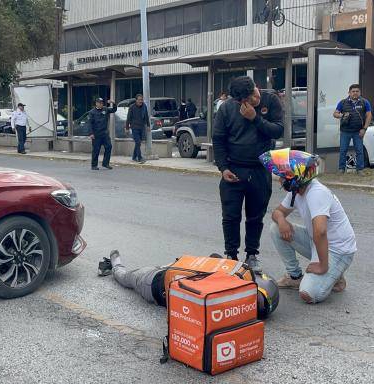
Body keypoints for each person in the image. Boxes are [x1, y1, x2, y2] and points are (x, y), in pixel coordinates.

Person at [262, 149, 357, 304]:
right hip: (319, 242)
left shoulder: (316, 192)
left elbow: (320, 231)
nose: (280, 179)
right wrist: (281, 221)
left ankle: (333, 274)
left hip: (338, 250)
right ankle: (295, 277)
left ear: (295, 177)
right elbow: (277, 212)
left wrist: (323, 266)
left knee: (309, 293)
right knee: (276, 228)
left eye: (282, 176)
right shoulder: (297, 190)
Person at [212, 75, 284, 271]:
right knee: (230, 216)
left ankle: (252, 254)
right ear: (237, 100)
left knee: (255, 216)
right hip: (233, 169)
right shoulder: (226, 108)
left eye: (252, 96)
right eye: (244, 100)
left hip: (260, 169)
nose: (251, 101)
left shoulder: (270, 100)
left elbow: (278, 130)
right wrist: (223, 168)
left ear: (256, 87)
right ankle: (231, 255)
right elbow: (218, 139)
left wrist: (255, 118)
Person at [98, 250, 279, 320]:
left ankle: (115, 265)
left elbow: (214, 258)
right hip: (173, 271)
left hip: (153, 282)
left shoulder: (230, 289)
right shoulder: (229, 303)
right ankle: (115, 264)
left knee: (126, 277)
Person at [333, 84, 372, 174]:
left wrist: (364, 129)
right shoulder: (342, 102)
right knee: (343, 150)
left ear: (360, 92)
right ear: (349, 93)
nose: (355, 93)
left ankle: (360, 169)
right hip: (345, 131)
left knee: (359, 150)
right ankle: (341, 169)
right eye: (353, 91)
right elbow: (335, 114)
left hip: (358, 131)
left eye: (357, 91)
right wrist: (341, 115)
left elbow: (369, 115)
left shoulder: (364, 102)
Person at [88, 97, 117, 170]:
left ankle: (105, 163)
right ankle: (94, 165)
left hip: (104, 133)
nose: (101, 104)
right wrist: (91, 133)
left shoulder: (105, 109)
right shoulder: (92, 112)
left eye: (102, 103)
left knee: (109, 147)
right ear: (96, 103)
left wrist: (113, 103)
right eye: (99, 103)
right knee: (96, 150)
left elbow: (114, 110)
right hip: (96, 134)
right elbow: (90, 124)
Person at [125, 94, 149, 163]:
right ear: (136, 100)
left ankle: (133, 157)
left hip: (141, 127)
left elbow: (146, 116)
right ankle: (139, 158)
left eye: (141, 100)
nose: (141, 101)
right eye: (139, 100)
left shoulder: (144, 106)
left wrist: (148, 125)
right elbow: (128, 118)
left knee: (138, 143)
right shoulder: (132, 107)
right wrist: (127, 128)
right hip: (134, 127)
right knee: (138, 142)